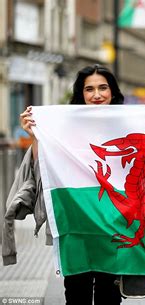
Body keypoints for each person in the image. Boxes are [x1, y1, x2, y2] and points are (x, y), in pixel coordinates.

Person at [16, 64, 124, 305]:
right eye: (90, 89)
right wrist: (35, 136)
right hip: (76, 226)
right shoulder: (64, 127)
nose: (97, 95)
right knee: (76, 295)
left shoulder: (127, 125)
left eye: (103, 88)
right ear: (81, 94)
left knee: (110, 296)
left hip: (114, 227)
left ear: (113, 92)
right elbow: (43, 168)